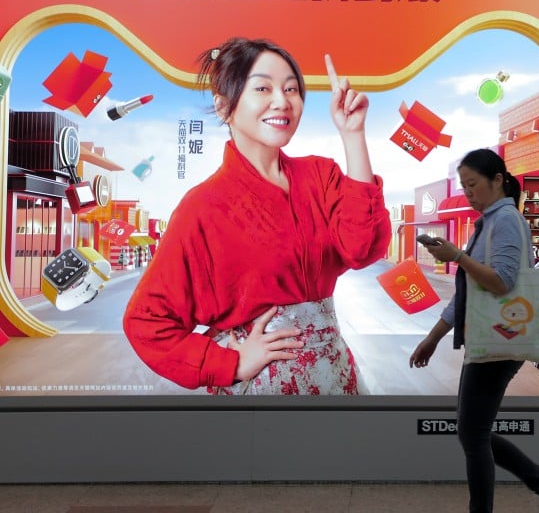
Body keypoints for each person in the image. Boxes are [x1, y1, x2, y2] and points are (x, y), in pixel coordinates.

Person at [123, 37, 391, 395]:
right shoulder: (202, 206)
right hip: (259, 390)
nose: (282, 101)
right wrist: (229, 363)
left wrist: (353, 135)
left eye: (291, 89)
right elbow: (146, 321)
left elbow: (361, 248)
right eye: (263, 87)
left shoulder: (320, 176)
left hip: (336, 376)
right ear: (223, 107)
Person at [410, 148, 539, 513]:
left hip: (503, 338)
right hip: (491, 336)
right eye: (464, 186)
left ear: (497, 180)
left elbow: (501, 282)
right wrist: (433, 337)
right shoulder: (487, 224)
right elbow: (469, 292)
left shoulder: (507, 221)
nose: (468, 193)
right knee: (473, 431)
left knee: (473, 433)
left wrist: (458, 257)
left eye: (473, 184)